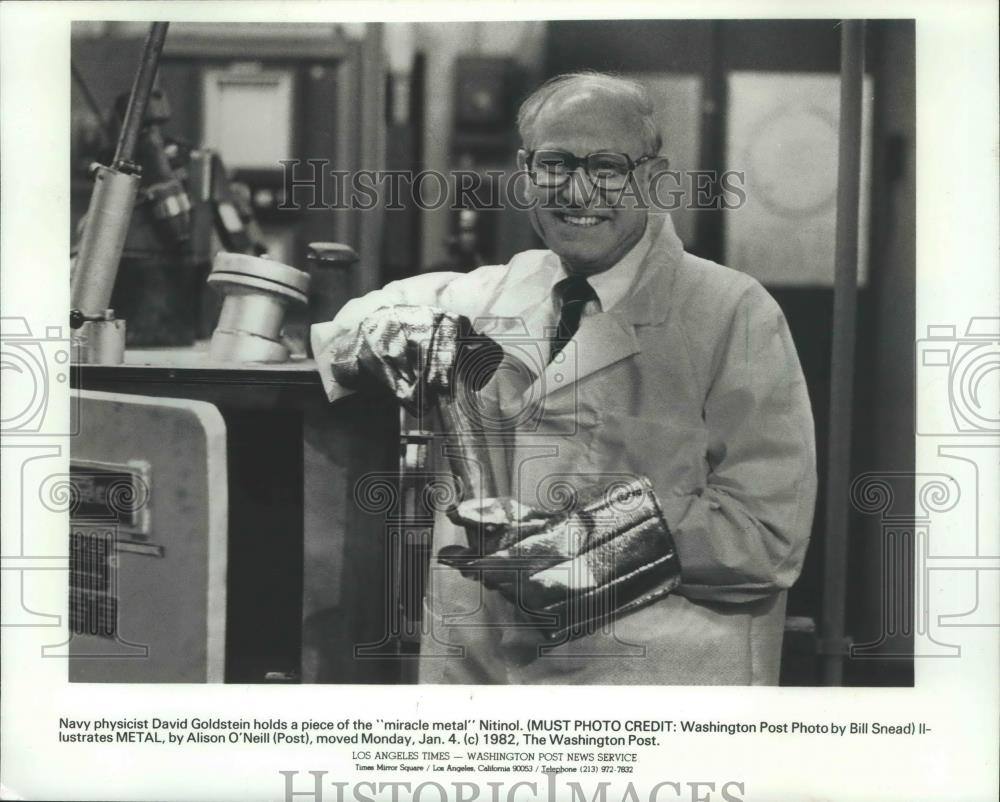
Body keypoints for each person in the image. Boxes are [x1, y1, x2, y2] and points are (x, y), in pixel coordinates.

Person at [311, 72, 817, 685]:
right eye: (554, 164)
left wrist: (579, 548)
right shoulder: (491, 292)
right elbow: (350, 326)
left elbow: (766, 535)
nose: (578, 191)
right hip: (480, 688)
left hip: (645, 693)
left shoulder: (730, 313)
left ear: (652, 178)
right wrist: (384, 332)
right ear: (525, 173)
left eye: (606, 166)